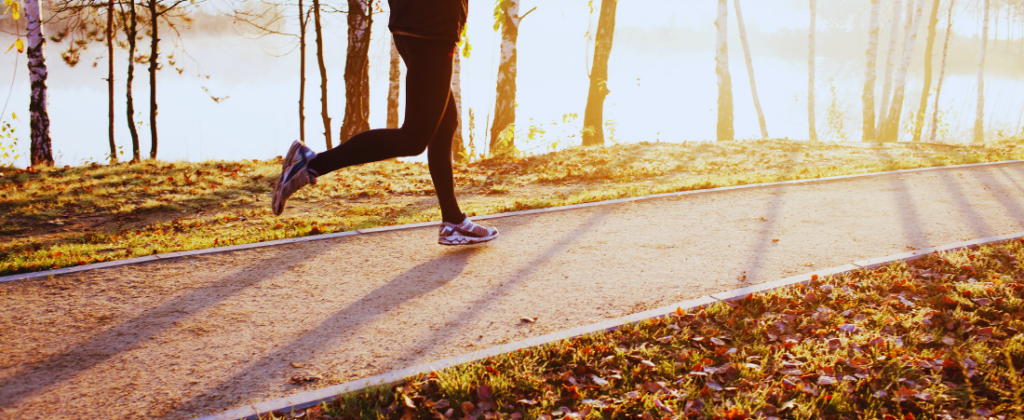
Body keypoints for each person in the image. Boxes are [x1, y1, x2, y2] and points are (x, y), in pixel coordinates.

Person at [271, 0, 498, 246]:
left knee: (444, 123)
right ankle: (310, 164)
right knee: (415, 137)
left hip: (415, 24)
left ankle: (453, 221)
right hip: (431, 27)